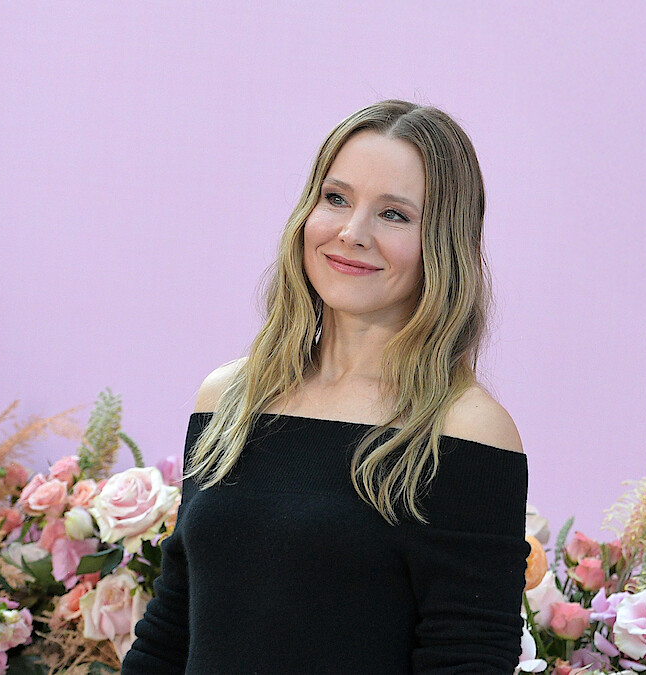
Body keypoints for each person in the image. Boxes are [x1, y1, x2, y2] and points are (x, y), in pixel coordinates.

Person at [121, 100, 530, 674]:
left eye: (394, 214)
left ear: (442, 241)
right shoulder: (230, 397)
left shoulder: (466, 429)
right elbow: (172, 627)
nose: (351, 232)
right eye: (336, 199)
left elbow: (467, 658)